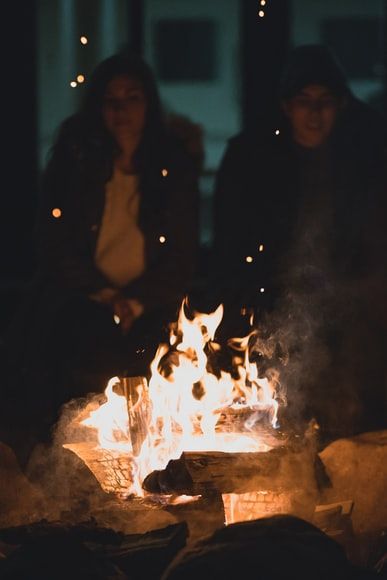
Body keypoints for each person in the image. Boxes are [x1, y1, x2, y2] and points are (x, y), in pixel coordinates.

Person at [2, 51, 200, 461]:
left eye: (132, 97)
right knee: (80, 358)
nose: (121, 109)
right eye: (110, 99)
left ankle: (149, 463)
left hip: (150, 304)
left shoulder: (170, 168)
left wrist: (136, 299)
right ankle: (69, 465)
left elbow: (181, 252)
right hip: (80, 299)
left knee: (155, 365)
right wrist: (106, 295)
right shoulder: (76, 163)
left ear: (149, 104)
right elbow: (53, 243)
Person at [211, 44, 387, 439]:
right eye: (304, 101)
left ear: (340, 106)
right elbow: (233, 245)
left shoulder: (363, 161)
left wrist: (353, 290)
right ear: (287, 106)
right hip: (272, 295)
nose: (314, 112)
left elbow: (372, 244)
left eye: (325, 101)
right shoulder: (253, 158)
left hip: (348, 300)